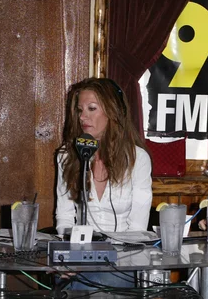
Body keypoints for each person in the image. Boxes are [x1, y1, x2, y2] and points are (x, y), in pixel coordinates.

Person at [55, 77, 152, 288]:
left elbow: (137, 228)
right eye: (80, 110)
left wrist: (106, 258)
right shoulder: (67, 155)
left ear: (113, 112)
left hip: (124, 259)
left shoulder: (138, 159)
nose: (83, 117)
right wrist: (69, 256)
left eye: (91, 108)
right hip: (78, 256)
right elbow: (64, 217)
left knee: (92, 284)